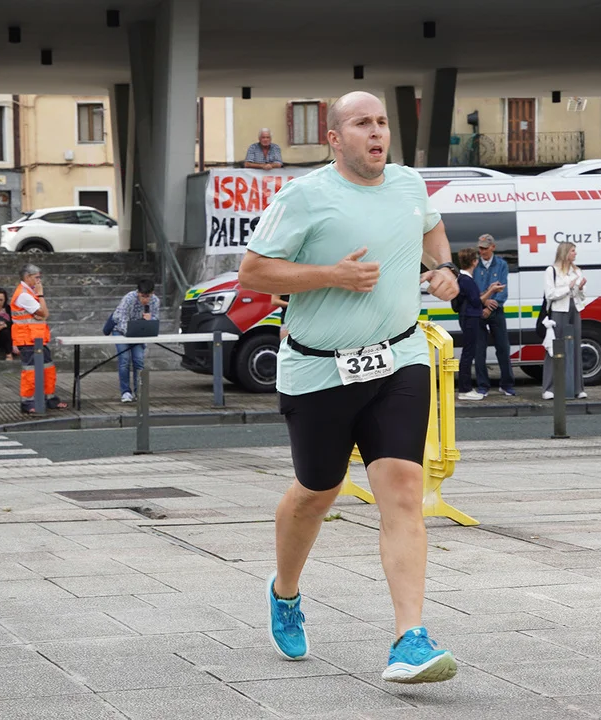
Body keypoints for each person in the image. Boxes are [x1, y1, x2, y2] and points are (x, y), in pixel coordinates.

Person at [238, 90, 461, 684]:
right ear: (335, 139)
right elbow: (253, 272)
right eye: (362, 123)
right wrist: (329, 275)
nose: (377, 131)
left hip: (400, 356)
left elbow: (432, 231)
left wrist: (442, 268)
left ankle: (410, 638)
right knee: (318, 490)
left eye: (382, 122)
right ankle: (285, 592)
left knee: (404, 488)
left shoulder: (410, 184)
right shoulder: (304, 196)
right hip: (319, 367)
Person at [10, 264, 67, 413]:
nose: (39, 281)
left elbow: (42, 314)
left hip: (37, 339)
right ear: (27, 277)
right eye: (36, 277)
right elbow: (44, 313)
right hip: (27, 339)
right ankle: (28, 403)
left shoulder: (29, 292)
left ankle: (50, 399)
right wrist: (41, 295)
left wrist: (40, 308)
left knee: (48, 368)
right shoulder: (24, 295)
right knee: (30, 371)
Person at [455, 248, 505, 400]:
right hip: (470, 318)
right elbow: (477, 301)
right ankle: (465, 390)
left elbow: (472, 298)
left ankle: (465, 389)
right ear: (474, 262)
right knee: (468, 353)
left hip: (467, 317)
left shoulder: (462, 279)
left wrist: (489, 289)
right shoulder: (467, 280)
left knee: (468, 352)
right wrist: (492, 291)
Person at [542, 241, 588, 400]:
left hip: (574, 309)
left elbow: (582, 296)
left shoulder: (577, 271)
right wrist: (568, 287)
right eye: (573, 251)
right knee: (555, 347)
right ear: (565, 252)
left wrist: (580, 288)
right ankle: (549, 388)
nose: (575, 254)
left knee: (575, 347)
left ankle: (577, 388)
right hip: (558, 311)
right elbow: (550, 294)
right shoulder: (551, 270)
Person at [472, 234, 516, 397]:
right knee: (479, 350)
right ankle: (483, 385)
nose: (482, 251)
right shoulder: (475, 265)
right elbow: (473, 290)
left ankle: (507, 384)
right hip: (478, 310)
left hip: (496, 311)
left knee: (503, 347)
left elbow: (503, 290)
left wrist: (491, 307)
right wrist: (483, 303)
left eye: (485, 248)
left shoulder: (501, 264)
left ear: (493, 247)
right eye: (480, 248)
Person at [110, 279, 160, 402]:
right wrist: (130, 333)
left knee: (138, 360)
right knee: (124, 360)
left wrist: (150, 320)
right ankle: (125, 392)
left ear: (152, 293)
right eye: (143, 296)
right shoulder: (129, 299)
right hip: (121, 331)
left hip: (139, 332)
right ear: (138, 293)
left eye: (148, 296)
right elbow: (121, 319)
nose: (145, 300)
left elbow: (156, 319)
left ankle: (139, 392)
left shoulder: (155, 301)